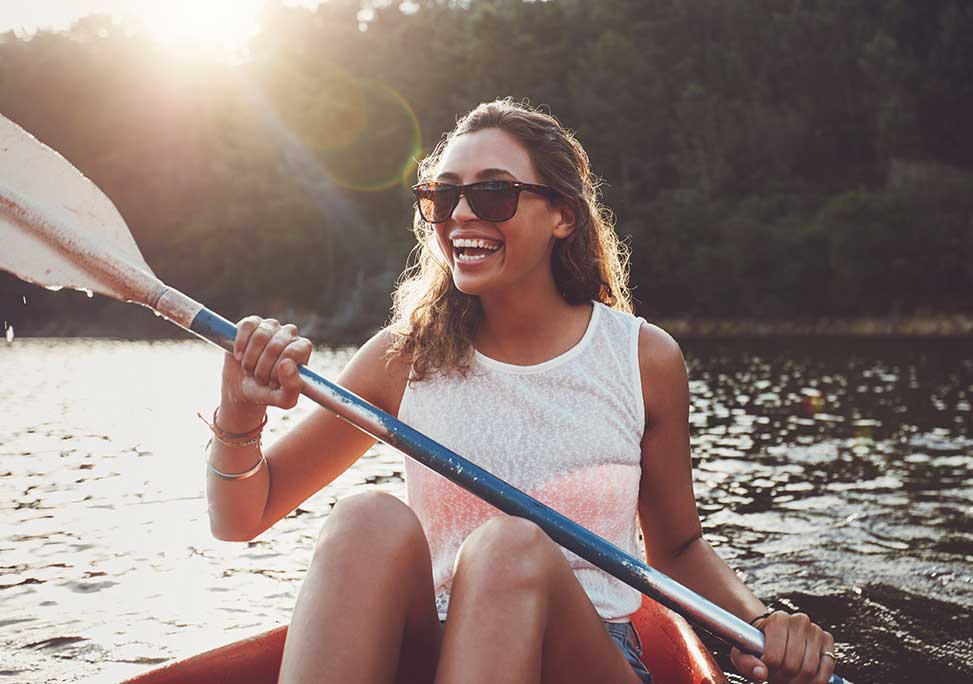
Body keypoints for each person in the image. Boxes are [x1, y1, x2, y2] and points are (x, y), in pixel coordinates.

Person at [202, 98, 837, 684]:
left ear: (563, 214)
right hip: (436, 655)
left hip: (588, 657)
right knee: (365, 516)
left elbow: (677, 547)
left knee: (512, 545)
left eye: (494, 193)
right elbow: (242, 518)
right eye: (442, 196)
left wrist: (761, 624)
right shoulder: (405, 356)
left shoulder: (642, 358)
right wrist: (240, 413)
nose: (462, 215)